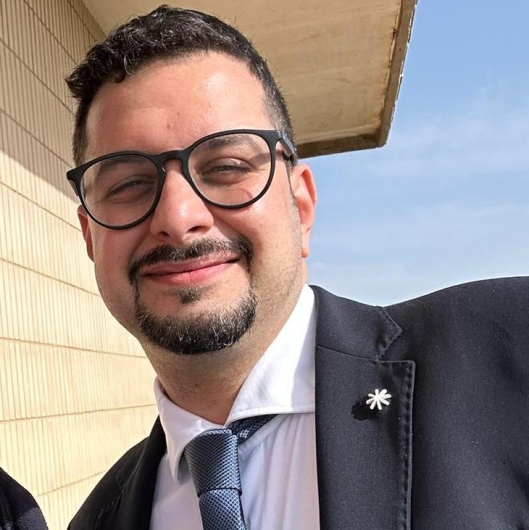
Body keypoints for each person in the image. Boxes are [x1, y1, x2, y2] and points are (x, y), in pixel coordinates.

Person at [65, 5, 529, 529]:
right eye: (128, 184)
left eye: (226, 167)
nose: (178, 217)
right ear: (90, 236)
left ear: (301, 206)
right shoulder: (95, 520)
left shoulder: (507, 355)